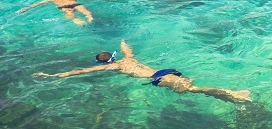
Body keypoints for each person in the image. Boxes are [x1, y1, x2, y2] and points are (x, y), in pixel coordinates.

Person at [33, 39, 251, 103]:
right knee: (195, 88)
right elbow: (127, 48)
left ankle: (235, 95)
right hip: (166, 70)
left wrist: (52, 76)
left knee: (197, 89)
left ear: (103, 63)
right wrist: (122, 42)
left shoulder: (114, 67)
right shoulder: (127, 58)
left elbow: (79, 72)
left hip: (157, 77)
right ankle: (234, 100)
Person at [17, 0, 96, 26]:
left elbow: (37, 4)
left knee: (71, 16)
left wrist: (25, 9)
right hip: (76, 4)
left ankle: (79, 22)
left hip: (65, 7)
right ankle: (90, 18)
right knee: (86, 12)